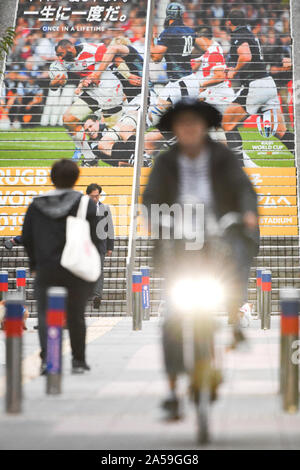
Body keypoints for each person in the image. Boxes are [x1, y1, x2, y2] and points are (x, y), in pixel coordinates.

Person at [143, 99, 260, 419]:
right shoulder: (165, 161)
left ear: (204, 127)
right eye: (183, 124)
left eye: (195, 123)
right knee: (172, 320)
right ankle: (171, 391)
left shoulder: (222, 157)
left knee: (235, 262)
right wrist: (153, 217)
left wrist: (247, 212)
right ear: (175, 129)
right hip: (180, 243)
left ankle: (236, 319)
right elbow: (151, 196)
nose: (189, 129)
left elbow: (243, 188)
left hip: (218, 236)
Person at [22, 159, 99, 375]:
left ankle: (49, 360)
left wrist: (34, 264)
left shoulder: (36, 205)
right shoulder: (86, 204)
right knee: (76, 315)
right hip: (76, 268)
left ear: (52, 178)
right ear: (76, 178)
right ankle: (78, 360)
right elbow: (94, 238)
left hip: (46, 268)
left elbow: (27, 236)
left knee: (46, 315)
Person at [222, 9, 294, 163]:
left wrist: (234, 71)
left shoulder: (238, 35)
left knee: (227, 123)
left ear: (229, 22)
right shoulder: (249, 34)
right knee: (280, 131)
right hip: (268, 84)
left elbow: (246, 56)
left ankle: (239, 168)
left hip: (255, 85)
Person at [86, 183, 114, 310]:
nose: (94, 199)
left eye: (96, 196)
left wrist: (110, 247)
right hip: (85, 246)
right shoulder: (82, 209)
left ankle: (97, 296)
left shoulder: (105, 209)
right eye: (92, 196)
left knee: (99, 270)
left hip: (100, 246)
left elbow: (110, 229)